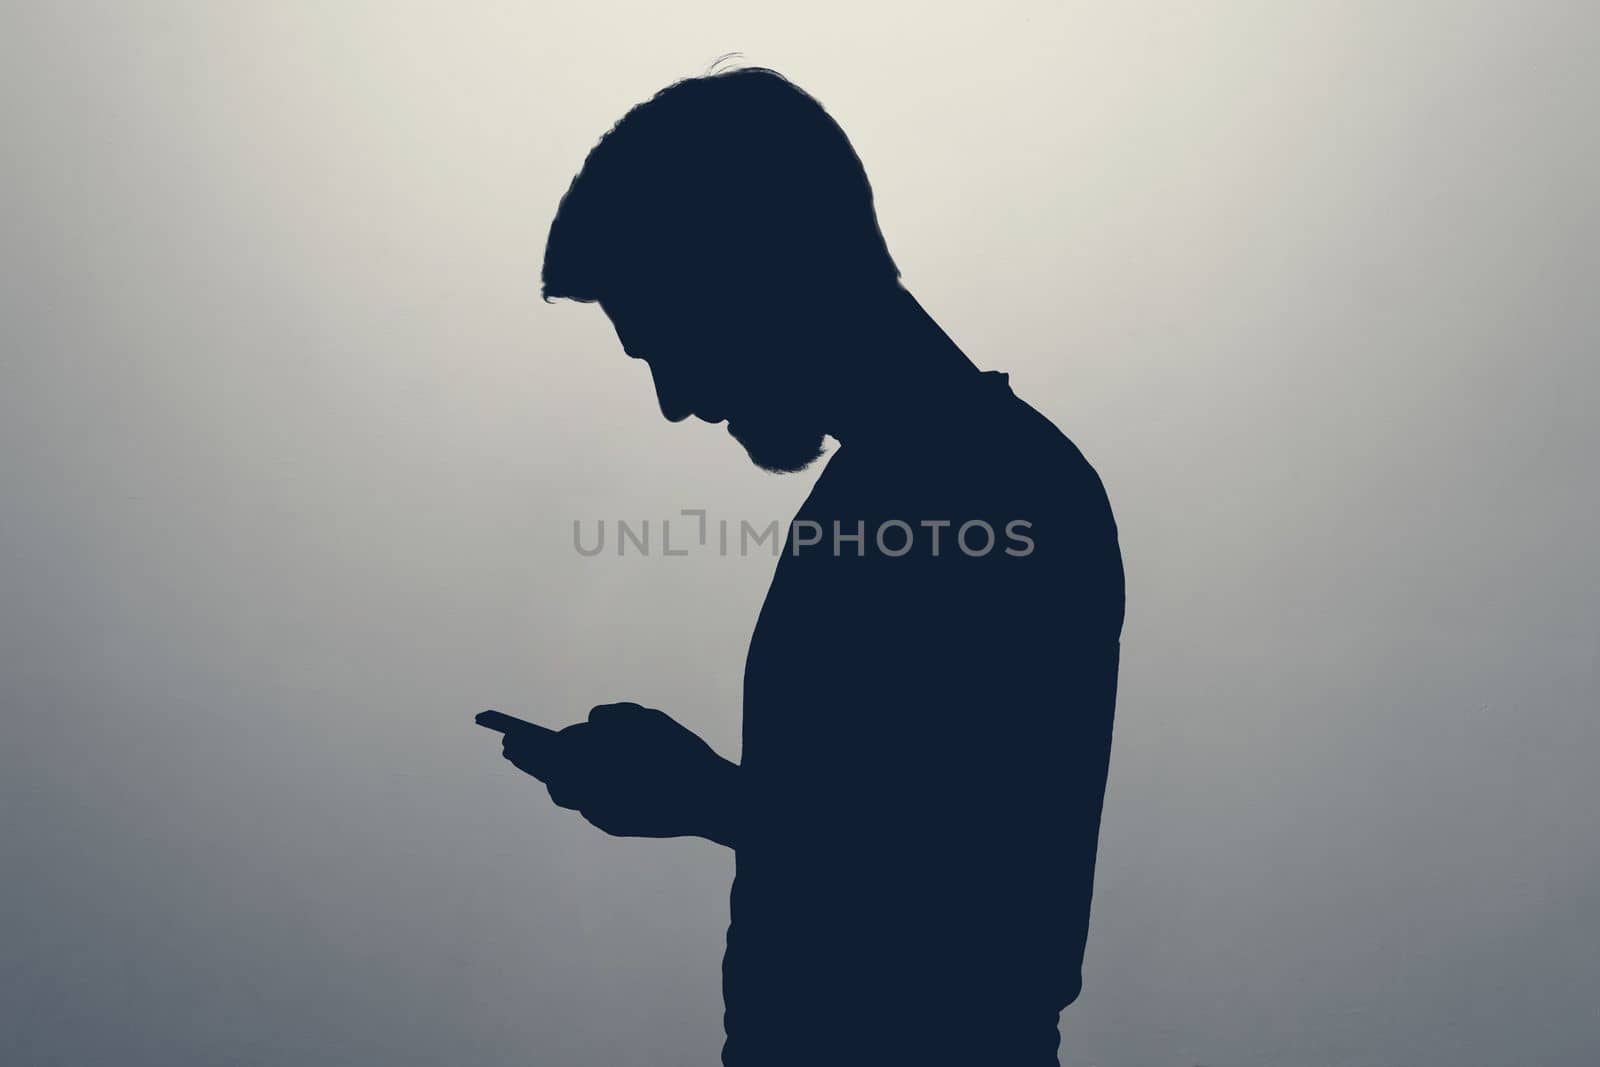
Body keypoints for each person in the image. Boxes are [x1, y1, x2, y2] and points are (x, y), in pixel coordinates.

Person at [478, 67, 1125, 1066]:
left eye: (668, 340)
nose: (676, 401)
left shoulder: (1000, 484)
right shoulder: (885, 500)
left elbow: (1001, 921)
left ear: (758, 267)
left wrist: (701, 795)